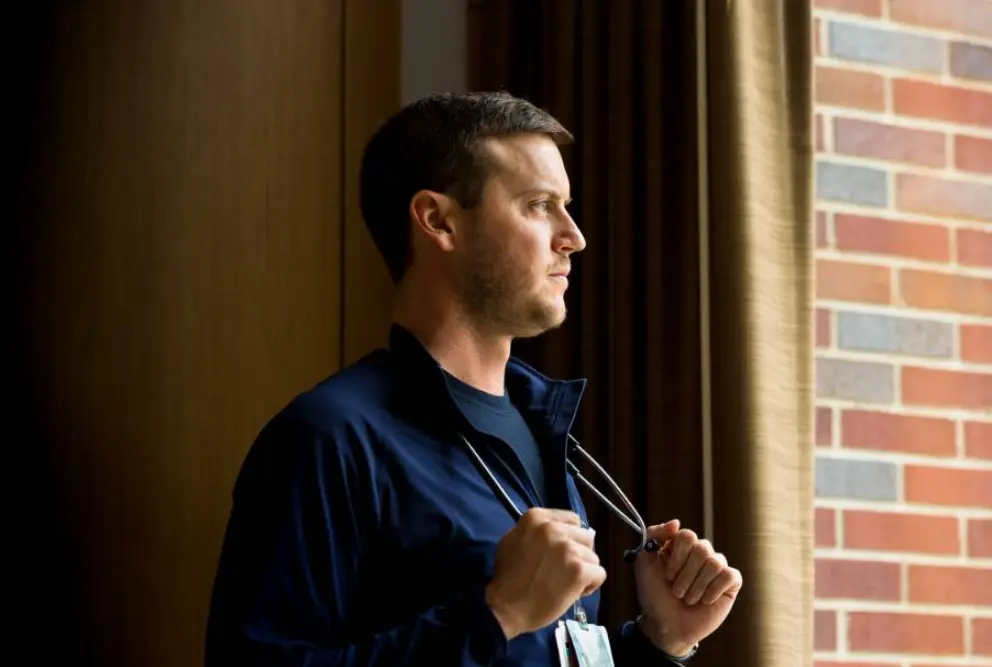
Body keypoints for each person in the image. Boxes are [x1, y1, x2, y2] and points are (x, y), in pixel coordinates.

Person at [204, 91, 742, 667]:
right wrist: (497, 613)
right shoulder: (327, 440)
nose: (574, 236)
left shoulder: (545, 432)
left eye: (566, 206)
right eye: (539, 205)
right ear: (439, 221)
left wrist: (659, 642)